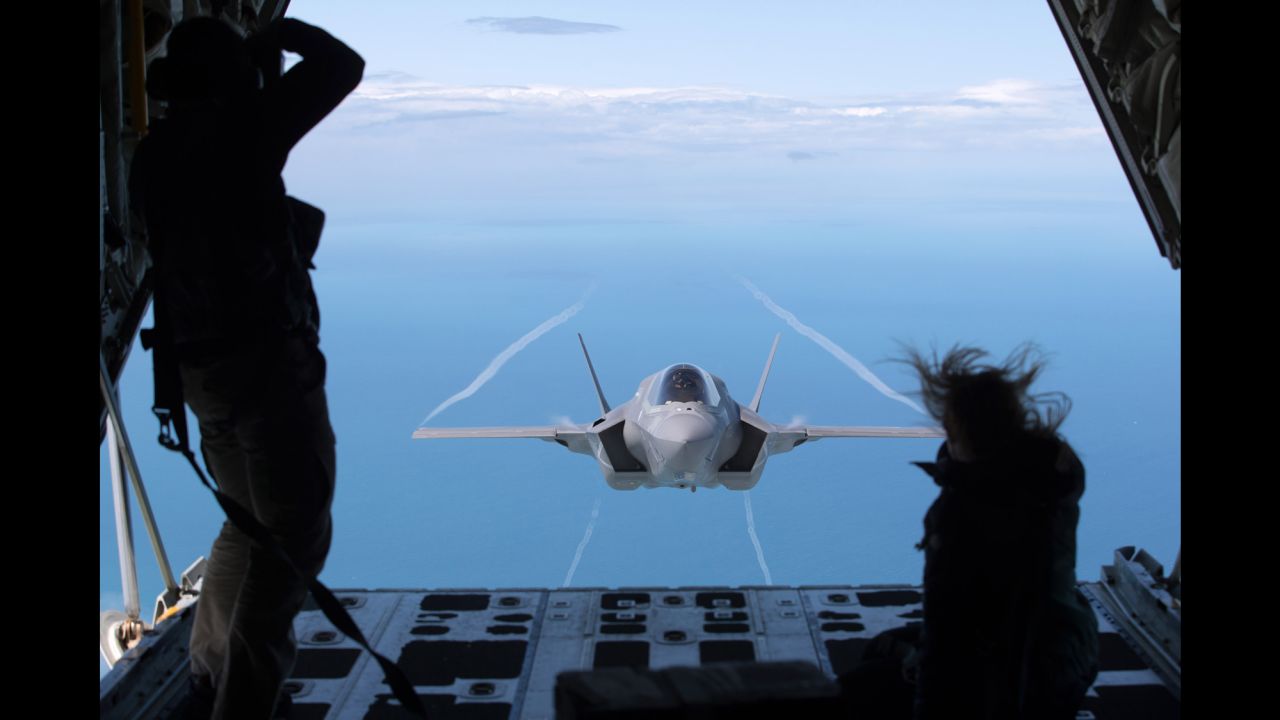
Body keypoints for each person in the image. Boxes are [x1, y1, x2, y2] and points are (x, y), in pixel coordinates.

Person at [130, 15, 363, 719]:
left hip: (202, 378)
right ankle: (243, 704)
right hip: (266, 375)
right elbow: (341, 65)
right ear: (234, 81)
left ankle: (206, 679)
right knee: (292, 538)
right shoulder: (241, 135)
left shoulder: (155, 155)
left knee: (246, 526)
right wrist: (275, 30)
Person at [903, 344, 1099, 719]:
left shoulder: (959, 517)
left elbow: (945, 637)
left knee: (875, 671)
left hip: (1010, 683)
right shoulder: (1053, 481)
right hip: (1068, 660)